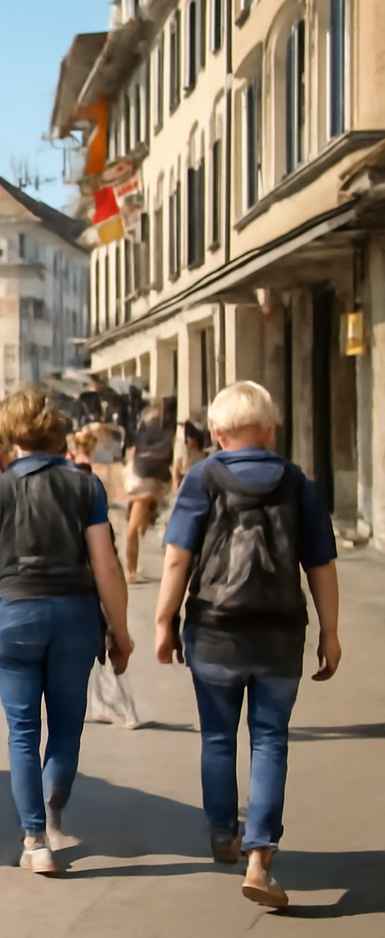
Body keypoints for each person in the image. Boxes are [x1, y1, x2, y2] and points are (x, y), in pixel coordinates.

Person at [153, 381, 341, 909]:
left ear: (215, 433)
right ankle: (261, 857)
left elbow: (176, 557)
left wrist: (164, 620)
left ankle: (222, 834)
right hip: (281, 634)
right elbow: (321, 563)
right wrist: (330, 631)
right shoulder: (298, 482)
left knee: (217, 738)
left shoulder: (202, 477)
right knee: (270, 740)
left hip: (214, 630)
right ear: (271, 429)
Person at [0, 389, 133, 875]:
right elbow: (106, 566)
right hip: (76, 616)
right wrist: (120, 630)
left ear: (10, 436)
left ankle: (35, 840)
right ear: (57, 433)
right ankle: (52, 809)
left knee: (22, 730)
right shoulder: (87, 486)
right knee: (67, 727)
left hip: (15, 616)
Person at [123, 398, 175, 584]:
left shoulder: (147, 422)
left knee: (137, 524)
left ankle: (132, 568)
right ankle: (131, 570)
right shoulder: (164, 425)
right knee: (135, 526)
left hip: (142, 473)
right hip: (148, 478)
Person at [170, 416, 209, 491]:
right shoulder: (182, 446)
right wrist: (175, 482)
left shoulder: (203, 445)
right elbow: (176, 467)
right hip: (185, 476)